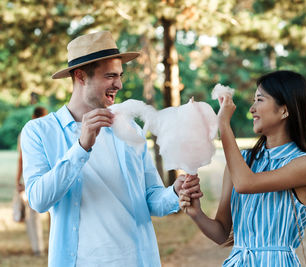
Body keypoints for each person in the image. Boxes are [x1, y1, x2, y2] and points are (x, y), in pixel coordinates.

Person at [20, 31, 202, 267]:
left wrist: (174, 193)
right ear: (80, 76)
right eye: (110, 76)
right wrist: (81, 147)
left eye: (120, 75)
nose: (119, 84)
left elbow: (151, 199)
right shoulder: (39, 132)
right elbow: (38, 200)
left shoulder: (130, 130)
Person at [180, 70, 306, 266]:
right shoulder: (242, 161)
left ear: (284, 110)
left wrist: (224, 125)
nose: (252, 109)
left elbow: (245, 184)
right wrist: (196, 213)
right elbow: (221, 233)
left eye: (260, 100)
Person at [15, 106, 48, 256]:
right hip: (48, 176)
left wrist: (18, 180)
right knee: (52, 214)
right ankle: (47, 246)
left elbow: (21, 159)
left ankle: (38, 248)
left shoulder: (27, 131)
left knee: (33, 214)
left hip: (32, 178)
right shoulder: (50, 129)